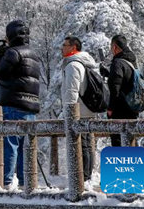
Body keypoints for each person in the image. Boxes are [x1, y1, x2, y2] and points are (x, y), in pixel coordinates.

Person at [0, 20, 41, 188]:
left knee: (10, 144)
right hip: (30, 106)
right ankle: (25, 182)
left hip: (13, 104)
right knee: (25, 146)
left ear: (11, 35)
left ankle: (5, 182)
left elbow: (0, 73)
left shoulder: (13, 53)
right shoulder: (33, 54)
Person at [60, 36, 98, 182]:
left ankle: (82, 179)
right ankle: (86, 177)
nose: (62, 48)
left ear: (73, 47)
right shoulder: (84, 63)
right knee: (87, 144)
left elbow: (72, 91)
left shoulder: (73, 65)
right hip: (87, 109)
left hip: (78, 112)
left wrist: (68, 113)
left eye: (65, 45)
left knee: (82, 145)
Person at [99, 34, 139, 146]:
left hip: (120, 110)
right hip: (132, 108)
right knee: (131, 140)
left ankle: (119, 159)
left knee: (118, 141)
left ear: (115, 47)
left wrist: (110, 109)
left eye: (111, 47)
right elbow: (125, 80)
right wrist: (108, 74)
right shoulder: (131, 61)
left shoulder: (117, 63)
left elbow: (115, 89)